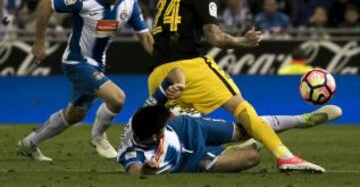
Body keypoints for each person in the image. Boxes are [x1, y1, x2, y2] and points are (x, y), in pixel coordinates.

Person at [148, 0, 324, 172]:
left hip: (157, 73)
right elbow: (215, 37)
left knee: (176, 129)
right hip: (188, 66)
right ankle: (284, 156)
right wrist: (244, 41)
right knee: (241, 107)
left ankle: (163, 160)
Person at [16, 0, 154, 161]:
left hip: (98, 65)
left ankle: (28, 144)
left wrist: (164, 59)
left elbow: (145, 36)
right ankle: (98, 136)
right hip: (76, 61)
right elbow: (46, 5)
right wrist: (39, 43)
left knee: (74, 114)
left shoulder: (130, 4)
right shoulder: (86, 1)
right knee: (117, 99)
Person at [118, 69, 342, 175]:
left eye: (161, 128)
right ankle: (233, 150)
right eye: (159, 133)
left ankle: (301, 120)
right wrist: (146, 169)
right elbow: (135, 171)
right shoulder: (132, 152)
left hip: (187, 128)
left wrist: (181, 84)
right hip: (192, 161)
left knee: (247, 128)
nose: (161, 134)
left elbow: (175, 71)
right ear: (149, 137)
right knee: (252, 157)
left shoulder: (146, 112)